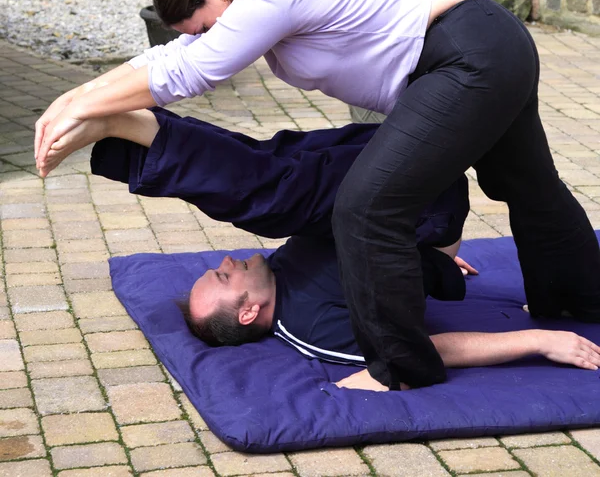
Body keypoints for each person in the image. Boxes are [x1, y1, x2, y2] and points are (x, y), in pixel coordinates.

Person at [34, 0, 600, 391]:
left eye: (205, 26)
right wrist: (74, 98)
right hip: (484, 46)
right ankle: (577, 298)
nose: (207, 38)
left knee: (366, 207)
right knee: (528, 186)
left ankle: (400, 368)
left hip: (467, 58)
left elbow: (193, 72)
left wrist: (83, 106)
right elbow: (175, 56)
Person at [51, 106, 600, 392]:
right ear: (248, 311)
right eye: (222, 277)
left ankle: (141, 130)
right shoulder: (316, 328)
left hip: (395, 198)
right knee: (266, 191)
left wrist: (423, 264)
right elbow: (417, 353)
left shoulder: (282, 271)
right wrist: (538, 340)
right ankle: (128, 129)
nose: (223, 261)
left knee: (273, 164)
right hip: (424, 199)